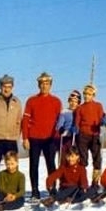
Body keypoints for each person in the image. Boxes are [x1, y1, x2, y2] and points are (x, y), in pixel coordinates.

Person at [22, 72, 63, 200]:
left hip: (50, 138)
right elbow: (25, 120)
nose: (44, 86)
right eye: (42, 84)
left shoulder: (56, 101)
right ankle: (35, 190)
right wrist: (25, 137)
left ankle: (52, 188)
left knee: (51, 164)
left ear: (50, 85)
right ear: (38, 85)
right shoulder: (31, 100)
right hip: (34, 137)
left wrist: (56, 137)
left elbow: (59, 121)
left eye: (47, 84)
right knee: (33, 164)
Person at [73, 83, 106, 186]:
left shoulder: (98, 106)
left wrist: (103, 121)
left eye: (89, 94)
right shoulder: (80, 108)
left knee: (97, 159)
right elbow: (77, 121)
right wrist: (76, 128)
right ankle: (82, 182)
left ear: (93, 95)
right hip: (83, 135)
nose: (86, 96)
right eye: (85, 94)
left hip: (95, 134)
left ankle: (95, 182)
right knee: (83, 159)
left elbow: (101, 117)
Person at [56, 90, 80, 160]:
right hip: (66, 137)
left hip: (77, 138)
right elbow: (59, 124)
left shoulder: (80, 111)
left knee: (75, 157)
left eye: (75, 102)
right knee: (64, 157)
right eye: (71, 101)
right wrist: (61, 129)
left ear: (78, 103)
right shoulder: (64, 112)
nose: (73, 103)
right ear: (69, 101)